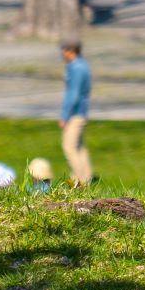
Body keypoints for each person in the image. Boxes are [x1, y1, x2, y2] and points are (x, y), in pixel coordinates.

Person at [58, 40, 90, 186]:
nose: (62, 53)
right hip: (81, 111)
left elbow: (74, 94)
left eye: (64, 50)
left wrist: (65, 115)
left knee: (69, 146)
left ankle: (79, 182)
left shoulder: (76, 68)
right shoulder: (82, 65)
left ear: (71, 51)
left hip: (75, 113)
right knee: (79, 147)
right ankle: (86, 176)